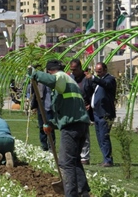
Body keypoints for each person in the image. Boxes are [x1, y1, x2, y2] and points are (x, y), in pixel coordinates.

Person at [31, 59, 90, 197]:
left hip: (71, 128)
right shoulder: (70, 83)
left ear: (49, 71)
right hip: (80, 125)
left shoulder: (60, 77)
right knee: (74, 160)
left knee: (65, 163)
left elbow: (51, 80)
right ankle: (83, 192)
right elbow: (67, 110)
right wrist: (51, 124)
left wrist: (35, 74)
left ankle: (71, 194)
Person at [86, 62, 116, 167]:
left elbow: (106, 85)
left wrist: (94, 78)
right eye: (96, 71)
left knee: (104, 137)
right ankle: (105, 158)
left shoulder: (109, 79)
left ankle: (108, 160)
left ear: (105, 70)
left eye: (100, 71)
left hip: (105, 114)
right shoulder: (99, 82)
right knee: (99, 138)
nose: (98, 73)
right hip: (97, 113)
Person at [69, 59, 94, 165]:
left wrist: (90, 104)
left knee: (84, 133)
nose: (73, 72)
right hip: (73, 108)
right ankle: (75, 154)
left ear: (80, 68)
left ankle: (84, 157)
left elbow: (94, 92)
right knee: (73, 132)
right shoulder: (70, 78)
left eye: (75, 69)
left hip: (85, 109)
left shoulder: (87, 79)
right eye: (71, 70)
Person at [31, 83, 56, 151]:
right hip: (40, 105)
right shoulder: (38, 82)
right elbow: (34, 91)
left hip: (48, 107)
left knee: (49, 127)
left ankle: (51, 147)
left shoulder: (49, 83)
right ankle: (44, 146)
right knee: (41, 127)